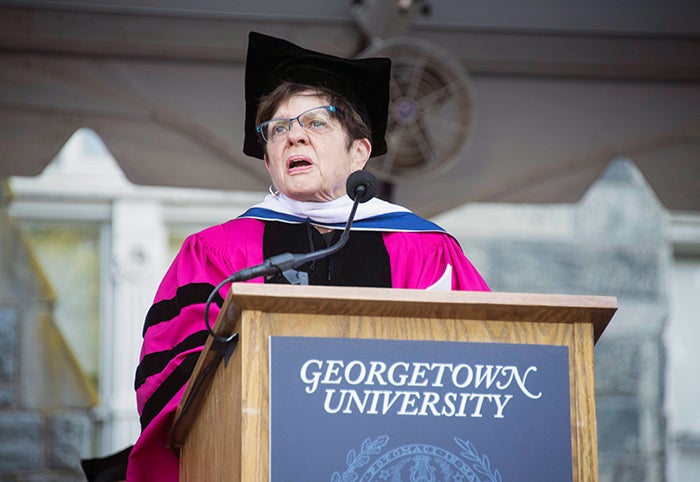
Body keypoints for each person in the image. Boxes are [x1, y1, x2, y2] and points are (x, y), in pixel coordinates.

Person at [126, 31, 489, 481]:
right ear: (268, 160)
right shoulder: (217, 252)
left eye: (316, 123)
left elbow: (480, 376)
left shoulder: (424, 249)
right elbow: (171, 382)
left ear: (360, 151)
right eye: (278, 128)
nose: (294, 137)